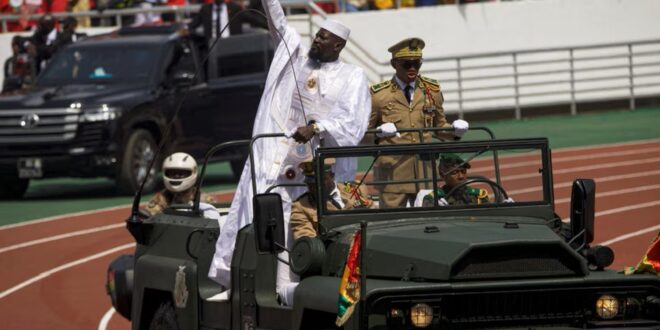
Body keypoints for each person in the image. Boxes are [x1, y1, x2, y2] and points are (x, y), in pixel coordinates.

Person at [208, 0, 371, 306]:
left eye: (323, 37)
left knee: (300, 229)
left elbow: (353, 123)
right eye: (317, 35)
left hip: (318, 169)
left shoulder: (353, 77)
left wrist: (318, 127)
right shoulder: (297, 59)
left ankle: (293, 292)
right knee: (251, 216)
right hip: (276, 158)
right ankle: (233, 280)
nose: (317, 40)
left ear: (338, 45)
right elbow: (278, 24)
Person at [369, 37, 469, 208]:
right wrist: (378, 133)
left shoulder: (431, 91)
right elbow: (363, 134)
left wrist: (455, 131)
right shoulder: (379, 95)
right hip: (393, 173)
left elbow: (439, 127)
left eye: (417, 63)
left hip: (424, 170)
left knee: (428, 220)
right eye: (406, 64)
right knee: (393, 221)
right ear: (394, 64)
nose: (412, 68)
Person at [291, 159, 374, 241]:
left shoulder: (355, 188)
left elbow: (374, 214)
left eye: (321, 180)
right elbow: (309, 243)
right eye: (311, 182)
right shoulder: (302, 206)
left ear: (332, 176)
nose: (315, 186)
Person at [143, 152, 219, 220]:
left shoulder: (206, 200)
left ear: (193, 172)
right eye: (172, 173)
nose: (176, 176)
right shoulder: (159, 200)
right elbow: (149, 220)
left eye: (182, 173)